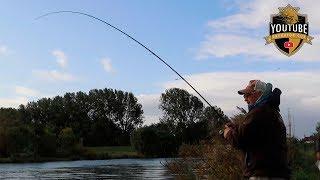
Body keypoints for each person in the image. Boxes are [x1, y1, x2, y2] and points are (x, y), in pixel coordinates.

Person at [224, 80, 290, 179]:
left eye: (247, 95)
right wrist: (237, 128)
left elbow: (241, 139)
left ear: (258, 94)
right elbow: (255, 135)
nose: (245, 99)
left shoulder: (259, 112)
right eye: (244, 96)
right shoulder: (271, 111)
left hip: (263, 175)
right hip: (275, 173)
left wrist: (228, 133)